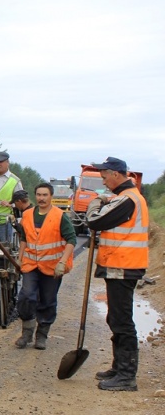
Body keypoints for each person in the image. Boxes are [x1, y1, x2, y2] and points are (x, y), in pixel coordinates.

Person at [86, 157, 148, 392]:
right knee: (115, 318)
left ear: (115, 174)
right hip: (120, 266)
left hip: (124, 266)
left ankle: (126, 376)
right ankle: (118, 367)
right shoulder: (124, 198)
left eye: (104, 176)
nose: (102, 180)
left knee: (121, 321)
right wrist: (104, 199)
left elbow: (94, 221)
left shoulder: (128, 200)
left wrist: (96, 201)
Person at [14, 183, 76, 350]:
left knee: (47, 301)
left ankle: (41, 335)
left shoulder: (60, 216)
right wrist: (19, 259)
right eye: (39, 195)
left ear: (51, 196)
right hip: (30, 265)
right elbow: (24, 239)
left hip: (52, 267)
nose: (41, 198)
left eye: (45, 195)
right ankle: (26, 333)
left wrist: (62, 262)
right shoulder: (27, 215)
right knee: (26, 296)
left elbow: (71, 240)